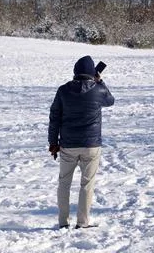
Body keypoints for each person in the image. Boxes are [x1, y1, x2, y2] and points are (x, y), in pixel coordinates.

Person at [48, 55, 115, 229]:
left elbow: (54, 117)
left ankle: (63, 222)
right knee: (87, 184)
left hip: (68, 145)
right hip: (91, 146)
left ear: (75, 72)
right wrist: (100, 82)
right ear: (92, 73)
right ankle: (83, 222)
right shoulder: (98, 90)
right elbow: (110, 101)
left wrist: (53, 142)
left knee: (64, 183)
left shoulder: (63, 90)